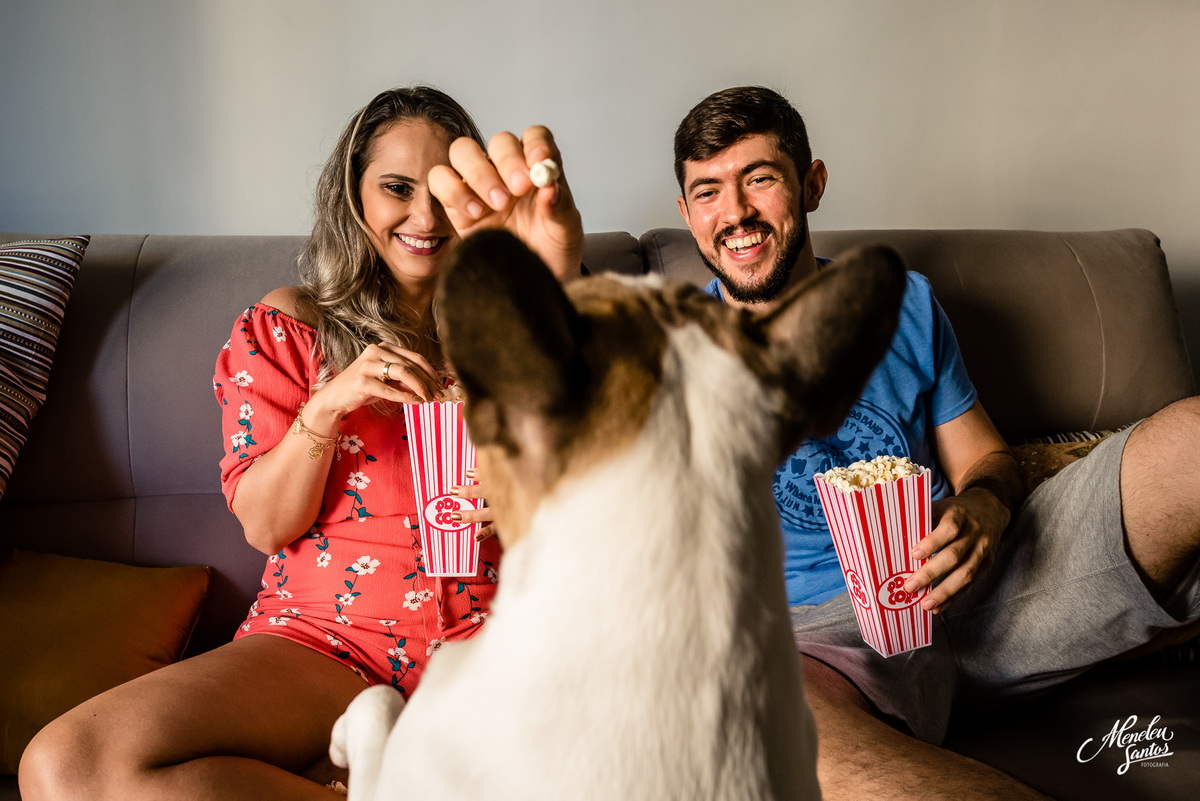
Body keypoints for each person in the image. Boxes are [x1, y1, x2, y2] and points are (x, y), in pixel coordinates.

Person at [19, 85, 583, 800]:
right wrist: (329, 404)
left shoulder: (527, 326)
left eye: (444, 192)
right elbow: (265, 523)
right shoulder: (291, 325)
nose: (424, 216)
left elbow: (613, 504)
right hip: (326, 642)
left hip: (499, 644)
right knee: (67, 765)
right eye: (397, 188)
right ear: (354, 197)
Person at [672, 85, 1200, 799]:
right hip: (818, 641)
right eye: (707, 191)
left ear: (812, 184)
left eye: (759, 178)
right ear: (686, 213)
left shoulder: (906, 303)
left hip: (983, 583)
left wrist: (984, 507)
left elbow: (987, 458)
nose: (733, 213)